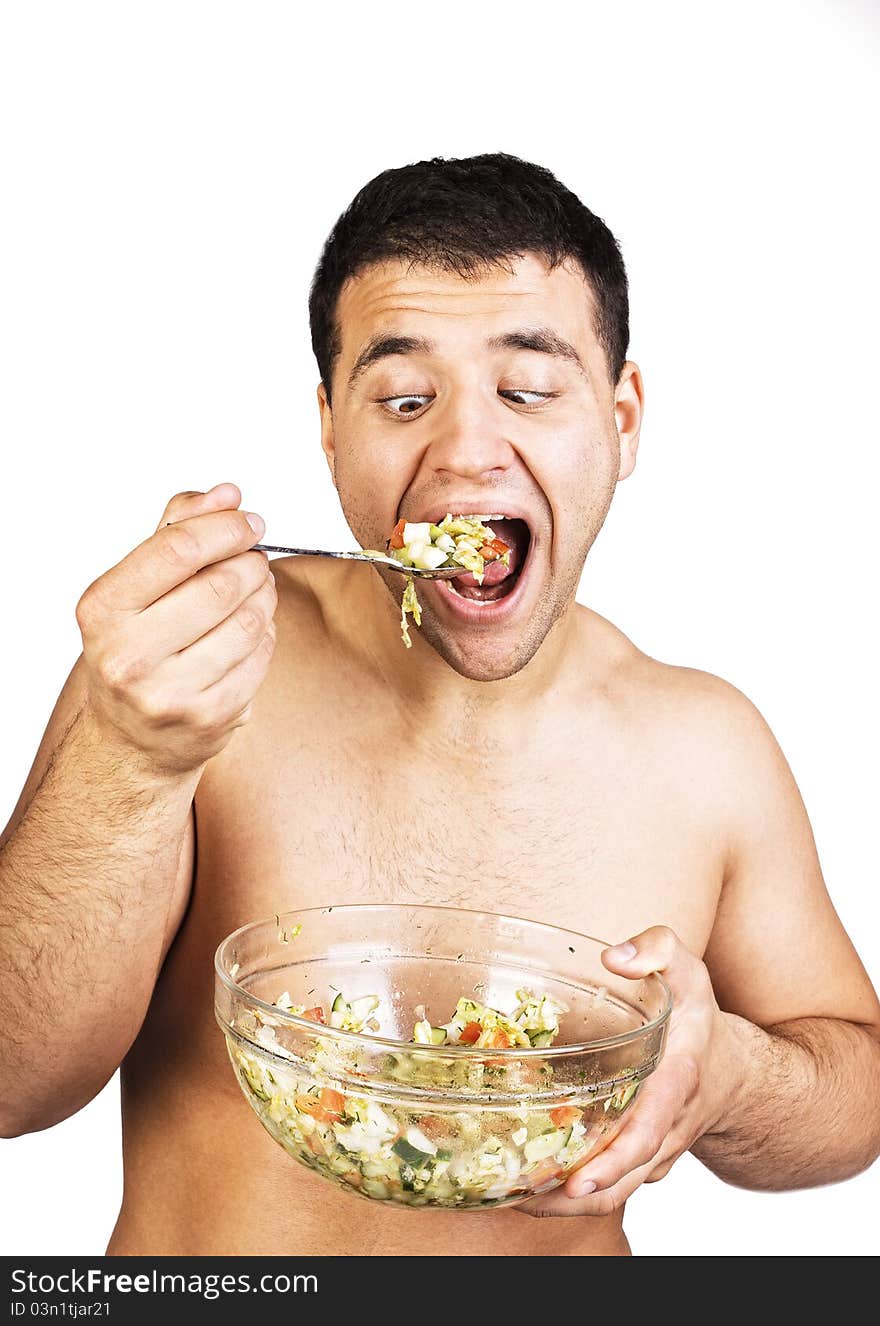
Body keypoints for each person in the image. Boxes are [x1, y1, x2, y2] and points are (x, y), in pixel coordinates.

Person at [1, 153, 878, 1257]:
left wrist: (736, 1077)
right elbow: (9, 1086)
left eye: (526, 390)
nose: (465, 449)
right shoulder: (190, 670)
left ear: (622, 420)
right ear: (329, 428)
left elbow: (856, 1097)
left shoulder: (707, 750)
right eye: (405, 400)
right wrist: (128, 761)